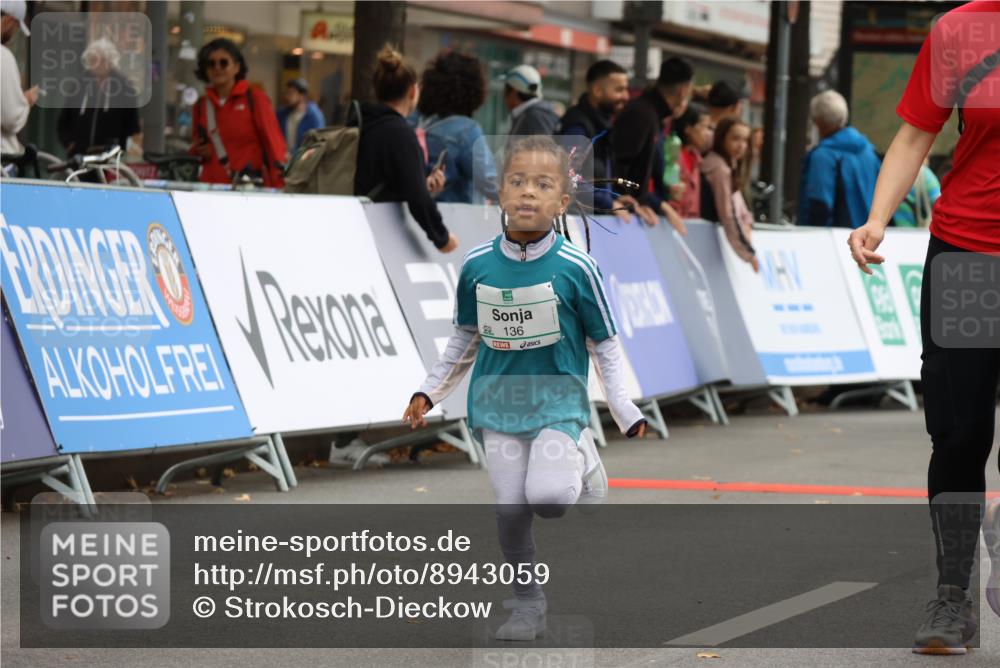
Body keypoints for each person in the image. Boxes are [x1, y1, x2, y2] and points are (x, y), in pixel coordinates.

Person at [402, 135, 647, 641]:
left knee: (552, 498)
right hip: (497, 403)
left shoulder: (578, 268)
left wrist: (622, 408)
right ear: (499, 195)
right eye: (517, 182)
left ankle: (584, 456)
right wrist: (428, 391)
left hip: (558, 401)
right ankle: (527, 604)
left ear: (561, 202)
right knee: (511, 511)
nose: (528, 193)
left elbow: (605, 345)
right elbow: (464, 339)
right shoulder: (476, 265)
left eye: (542, 184)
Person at [847, 1, 1000, 654]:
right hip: (968, 254)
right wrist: (878, 217)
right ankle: (951, 594)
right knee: (961, 432)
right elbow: (915, 132)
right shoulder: (960, 30)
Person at [611, 56, 693, 233]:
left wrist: (658, 199)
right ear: (683, 90)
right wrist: (635, 203)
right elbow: (620, 167)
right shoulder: (643, 114)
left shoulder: (652, 115)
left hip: (629, 214)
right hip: (620, 218)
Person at [190, 38, 286, 187]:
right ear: (205, 69)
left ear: (236, 67)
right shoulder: (201, 105)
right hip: (209, 188)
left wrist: (279, 185)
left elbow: (273, 144)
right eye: (211, 63)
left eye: (223, 62)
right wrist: (200, 150)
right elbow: (195, 149)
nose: (217, 67)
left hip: (248, 188)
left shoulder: (255, 99)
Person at [416, 49, 497, 204]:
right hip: (458, 221)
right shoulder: (466, 130)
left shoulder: (419, 123)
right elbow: (492, 184)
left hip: (427, 215)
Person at [797, 90, 882, 228]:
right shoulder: (869, 151)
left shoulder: (823, 156)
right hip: (868, 237)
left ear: (818, 121)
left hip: (837, 240)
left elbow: (819, 206)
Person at [557, 59, 630, 215]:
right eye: (619, 90)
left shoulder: (600, 126)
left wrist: (613, 198)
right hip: (575, 224)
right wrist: (608, 203)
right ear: (597, 90)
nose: (626, 96)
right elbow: (569, 178)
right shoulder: (577, 128)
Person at [56, 38, 141, 157]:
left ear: (110, 61)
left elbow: (132, 124)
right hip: (79, 155)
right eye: (93, 60)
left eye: (102, 60)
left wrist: (121, 147)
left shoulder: (124, 88)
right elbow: (63, 120)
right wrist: (70, 144)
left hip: (110, 156)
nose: (97, 64)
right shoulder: (79, 85)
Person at [701, 117, 758, 271]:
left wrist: (747, 221)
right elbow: (728, 213)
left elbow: (739, 205)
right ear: (722, 138)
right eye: (735, 138)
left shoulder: (728, 166)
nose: (741, 145)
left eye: (745, 140)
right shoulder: (720, 170)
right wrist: (748, 253)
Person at [662, 101, 713, 219]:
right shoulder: (671, 154)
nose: (708, 134)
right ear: (688, 128)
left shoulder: (697, 159)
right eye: (705, 127)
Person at [0, 0, 35, 161]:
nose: (13, 34)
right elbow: (11, 118)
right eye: (15, 27)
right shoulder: (3, 57)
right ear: (9, 20)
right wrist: (26, 101)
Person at [503, 64, 559, 136]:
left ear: (513, 92)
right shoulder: (532, 114)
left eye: (505, 91)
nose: (504, 97)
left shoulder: (536, 117)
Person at [276, 78, 325, 154]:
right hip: (284, 159)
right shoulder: (282, 114)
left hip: (303, 161)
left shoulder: (314, 116)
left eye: (291, 93)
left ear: (302, 96)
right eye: (286, 93)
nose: (287, 97)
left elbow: (317, 143)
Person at [892, 159, 941, 228]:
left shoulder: (892, 175)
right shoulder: (926, 175)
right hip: (920, 233)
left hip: (904, 231)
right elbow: (940, 205)